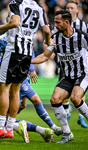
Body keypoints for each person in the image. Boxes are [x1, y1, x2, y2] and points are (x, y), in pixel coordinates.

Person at [0, 0, 51, 142]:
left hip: (13, 50)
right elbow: (46, 30)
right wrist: (47, 42)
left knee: (4, 88)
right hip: (27, 52)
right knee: (16, 90)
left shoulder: (16, 3)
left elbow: (14, 22)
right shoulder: (38, 7)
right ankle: (9, 129)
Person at [31, 10, 88, 143]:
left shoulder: (82, 37)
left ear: (66, 22)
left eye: (57, 22)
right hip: (67, 76)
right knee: (55, 99)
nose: (54, 25)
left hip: (83, 73)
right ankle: (67, 133)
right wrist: (28, 61)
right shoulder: (55, 38)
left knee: (75, 98)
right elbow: (44, 56)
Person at [53, 0, 88, 128]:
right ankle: (66, 115)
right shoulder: (57, 32)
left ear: (77, 10)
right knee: (59, 97)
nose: (70, 9)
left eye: (72, 7)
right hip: (65, 66)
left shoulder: (83, 27)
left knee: (77, 95)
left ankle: (80, 117)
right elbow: (50, 42)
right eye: (67, 7)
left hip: (82, 67)